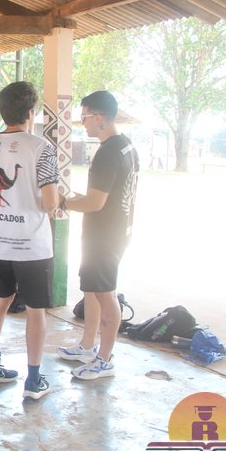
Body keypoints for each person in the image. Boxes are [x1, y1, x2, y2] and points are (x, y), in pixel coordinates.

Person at [0, 82, 59, 399]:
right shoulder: (41, 147)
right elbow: (50, 203)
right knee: (35, 310)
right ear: (31, 112)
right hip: (32, 245)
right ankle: (33, 380)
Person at [57, 90, 139, 381]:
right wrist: (76, 198)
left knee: (106, 295)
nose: (83, 123)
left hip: (105, 236)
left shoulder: (108, 152)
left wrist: (62, 202)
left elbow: (95, 203)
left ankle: (104, 359)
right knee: (91, 289)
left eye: (85, 117)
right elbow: (105, 196)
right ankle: (87, 345)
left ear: (100, 117)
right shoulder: (126, 146)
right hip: (111, 231)